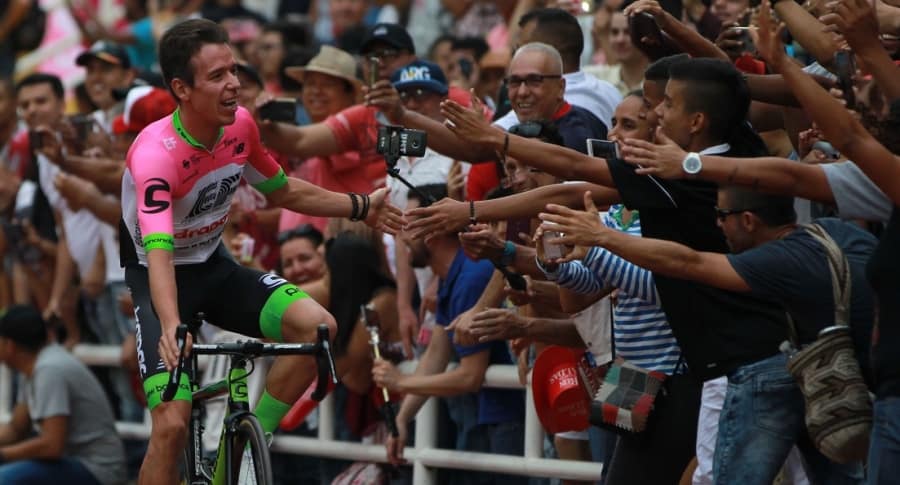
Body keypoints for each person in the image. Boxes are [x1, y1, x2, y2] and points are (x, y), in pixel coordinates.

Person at [121, 18, 404, 485]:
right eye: (217, 77)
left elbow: (284, 191)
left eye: (233, 70)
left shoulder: (242, 127)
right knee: (171, 426)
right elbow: (158, 253)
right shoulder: (156, 156)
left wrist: (359, 207)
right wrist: (172, 327)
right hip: (160, 277)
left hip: (215, 268)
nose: (234, 84)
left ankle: (247, 450)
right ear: (181, 89)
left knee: (319, 327)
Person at [372, 183, 526, 485]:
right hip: (490, 418)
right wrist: (402, 418)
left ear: (431, 233)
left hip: (506, 420)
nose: (399, 237)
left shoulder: (471, 275)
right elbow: (436, 355)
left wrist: (401, 381)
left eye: (407, 226)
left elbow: (470, 375)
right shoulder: (453, 275)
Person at [0, 305, 126, 485]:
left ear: (9, 345)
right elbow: (16, 428)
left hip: (97, 469)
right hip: (72, 462)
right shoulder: (33, 366)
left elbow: (52, 445)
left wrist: (4, 455)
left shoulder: (49, 370)